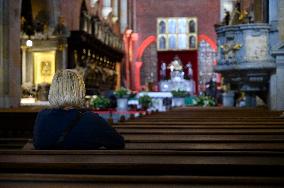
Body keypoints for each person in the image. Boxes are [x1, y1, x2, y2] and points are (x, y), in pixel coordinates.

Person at [33, 69, 125, 149]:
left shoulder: (42, 117)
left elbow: (37, 144)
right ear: (80, 91)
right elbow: (118, 143)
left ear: (53, 91)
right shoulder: (91, 120)